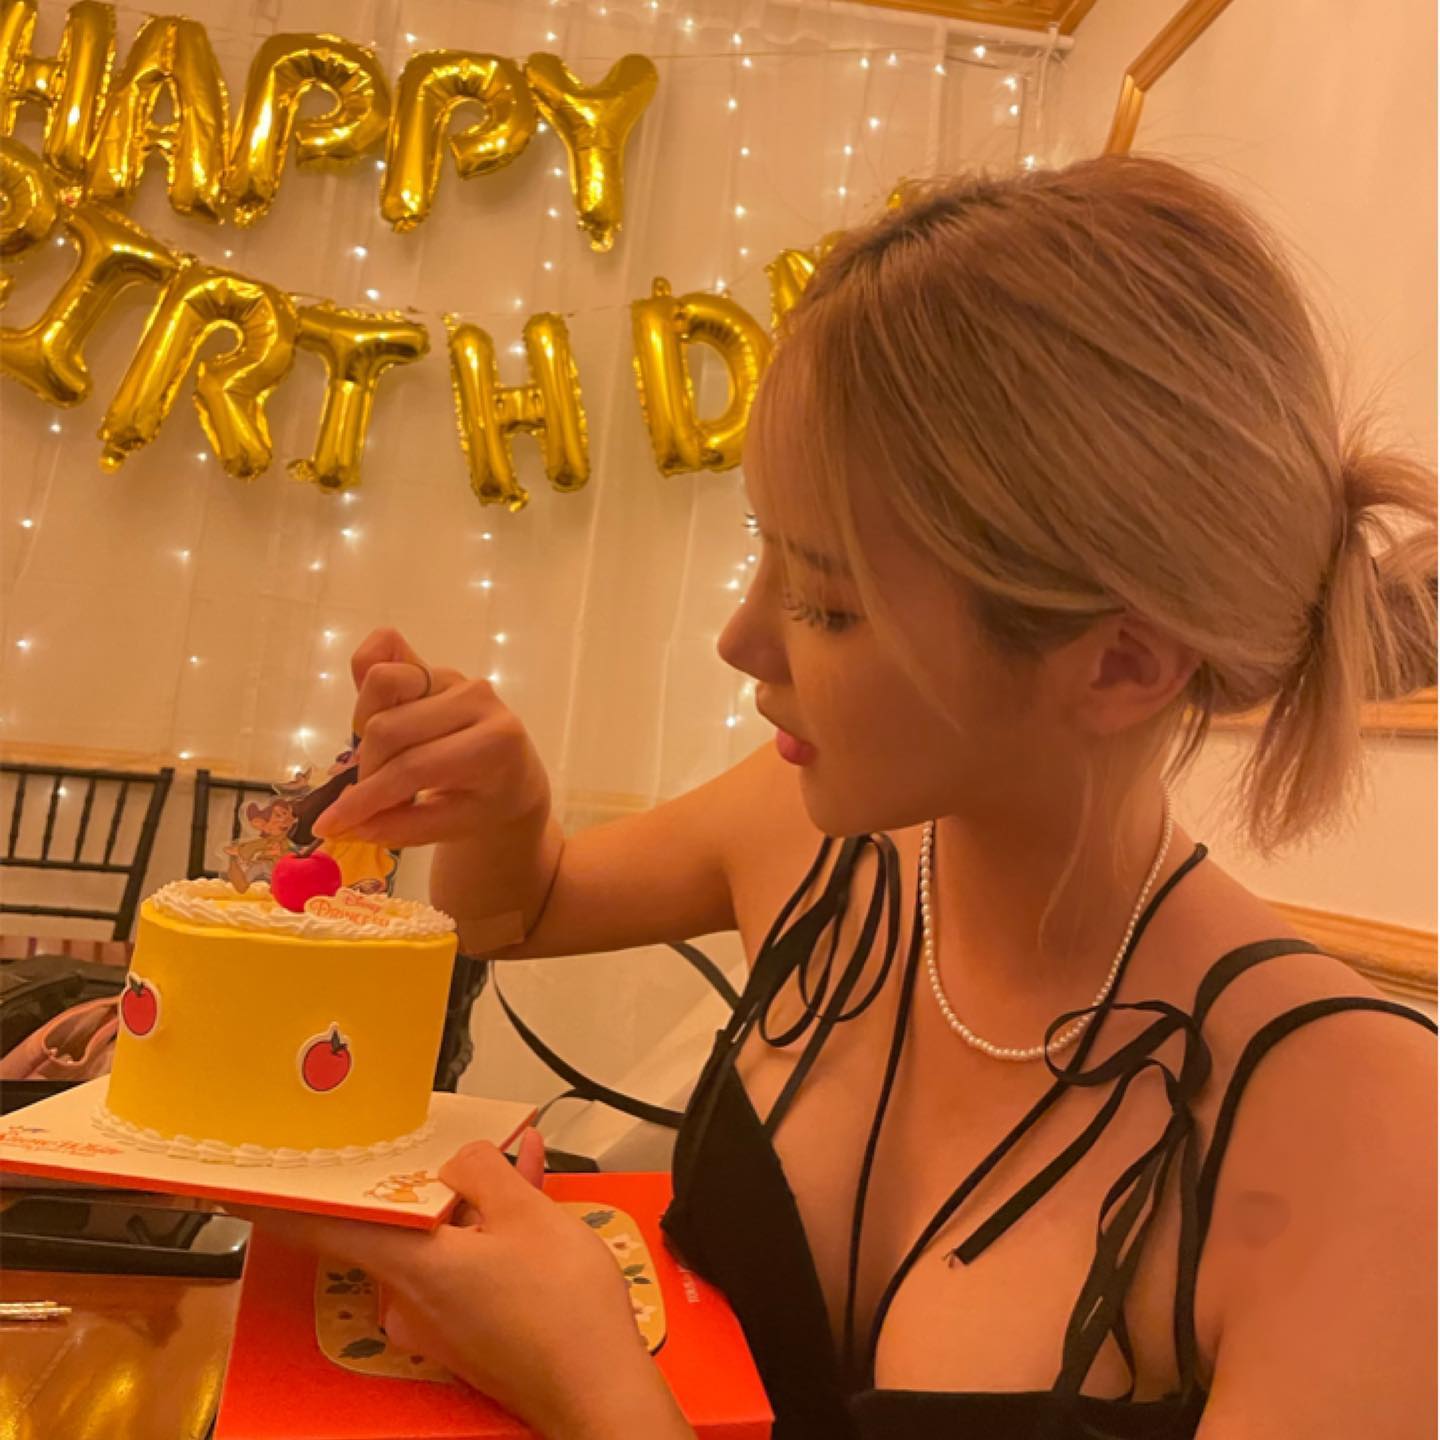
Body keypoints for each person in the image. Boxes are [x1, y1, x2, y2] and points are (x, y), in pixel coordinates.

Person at [244, 156, 1438, 1439]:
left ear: (1120, 666)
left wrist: (591, 1384)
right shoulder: (812, 840)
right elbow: (516, 916)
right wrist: (507, 811)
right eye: (764, 550)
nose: (742, 639)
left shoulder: (1364, 1137)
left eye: (826, 602)